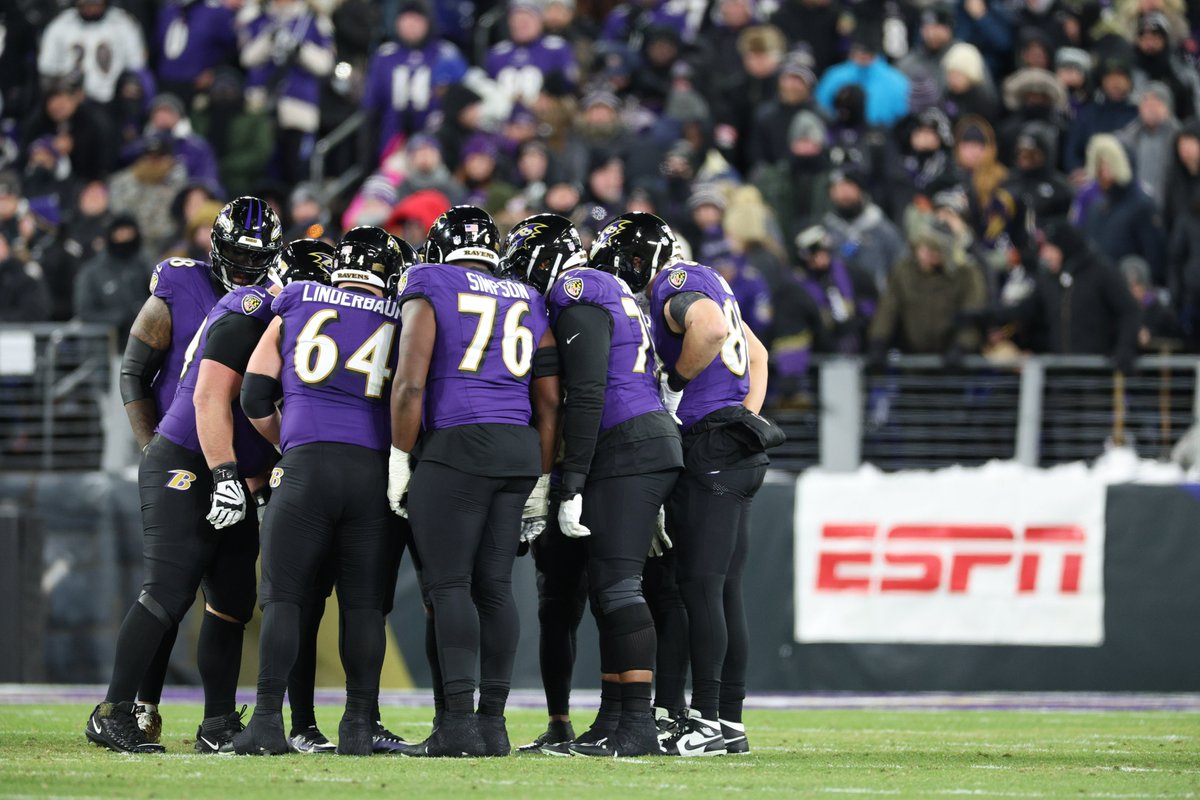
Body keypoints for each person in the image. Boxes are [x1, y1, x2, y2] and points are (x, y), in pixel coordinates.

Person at [87, 197, 284, 755]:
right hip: (183, 453)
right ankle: (116, 709)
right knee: (170, 588)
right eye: (238, 257)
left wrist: (259, 472)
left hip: (236, 467)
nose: (245, 269)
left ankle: (218, 721)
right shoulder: (179, 283)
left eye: (257, 259)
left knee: (231, 597)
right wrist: (153, 449)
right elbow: (134, 371)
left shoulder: (276, 305)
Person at [503, 214, 683, 757]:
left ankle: (637, 726)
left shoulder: (576, 289)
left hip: (627, 443)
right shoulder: (606, 289)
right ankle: (612, 720)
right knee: (610, 590)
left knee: (618, 587)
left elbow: (586, 393)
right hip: (637, 441)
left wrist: (570, 481)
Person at [388, 206, 560, 756]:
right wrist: (543, 474)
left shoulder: (428, 279)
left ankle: (458, 725)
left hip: (459, 444)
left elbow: (409, 384)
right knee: (495, 588)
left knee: (450, 587)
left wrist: (398, 456)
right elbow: (551, 398)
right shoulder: (528, 296)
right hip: (517, 450)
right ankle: (493, 725)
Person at [233, 228, 410, 756]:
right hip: (370, 471)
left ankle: (266, 723)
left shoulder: (295, 297)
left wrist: (290, 439)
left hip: (306, 463)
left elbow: (255, 393)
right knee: (361, 607)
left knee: (285, 598)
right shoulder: (401, 317)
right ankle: (358, 725)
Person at [629, 212, 773, 756]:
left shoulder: (677, 281)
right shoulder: (714, 279)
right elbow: (756, 355)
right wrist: (745, 416)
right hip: (732, 445)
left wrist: (675, 382)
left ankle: (708, 721)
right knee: (722, 589)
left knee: (699, 589)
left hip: (710, 448)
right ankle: (728, 719)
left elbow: (710, 330)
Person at [866, 220, 987, 361]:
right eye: (922, 248)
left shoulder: (966, 274)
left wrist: (963, 345)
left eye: (933, 252)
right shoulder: (904, 271)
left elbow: (972, 313)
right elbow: (888, 308)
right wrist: (878, 340)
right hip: (912, 355)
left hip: (952, 357)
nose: (924, 255)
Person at [361, 0, 468, 155]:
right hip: (392, 147)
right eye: (405, 19)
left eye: (416, 19)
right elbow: (371, 109)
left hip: (438, 147)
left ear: (428, 22)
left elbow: (464, 107)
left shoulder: (447, 54)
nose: (410, 25)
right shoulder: (384, 56)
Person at [38, 0, 147, 106]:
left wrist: (126, 86)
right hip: (71, 100)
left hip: (113, 100)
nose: (90, 8)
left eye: (95, 4)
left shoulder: (123, 23)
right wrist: (63, 89)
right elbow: (47, 68)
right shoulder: (61, 24)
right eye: (86, 4)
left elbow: (136, 66)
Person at [73, 215, 152, 340]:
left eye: (129, 233)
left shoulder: (146, 266)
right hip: (106, 345)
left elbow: (161, 297)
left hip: (146, 342)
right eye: (120, 233)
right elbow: (85, 312)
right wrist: (120, 318)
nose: (125, 239)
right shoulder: (93, 272)